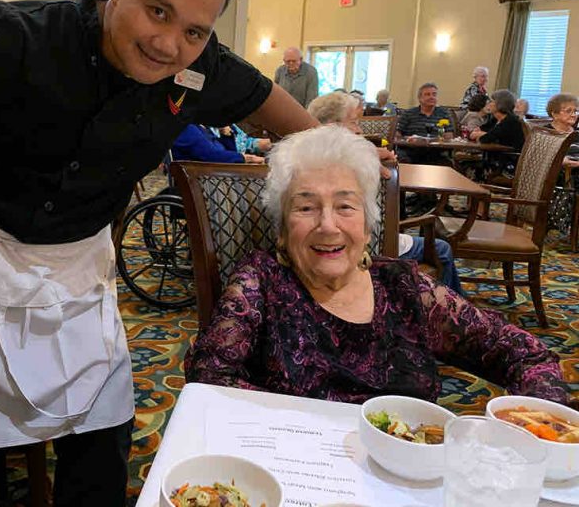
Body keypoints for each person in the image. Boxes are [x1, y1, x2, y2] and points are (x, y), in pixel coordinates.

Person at [0, 0, 317, 507]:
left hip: (81, 269)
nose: (169, 45)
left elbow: (290, 120)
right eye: (157, 11)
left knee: (103, 436)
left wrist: (349, 168)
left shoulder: (202, 68)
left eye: (194, 31)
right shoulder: (13, 38)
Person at [184, 126, 569, 406]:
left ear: (368, 227)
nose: (328, 225)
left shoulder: (405, 288)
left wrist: (532, 429)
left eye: (346, 206)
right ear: (282, 230)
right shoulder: (260, 283)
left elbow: (526, 355)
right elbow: (210, 378)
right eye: (305, 207)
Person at [308, 92, 463, 295]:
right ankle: (452, 314)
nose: (359, 130)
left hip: (328, 242)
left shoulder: (309, 156)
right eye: (354, 123)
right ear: (332, 126)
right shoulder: (352, 164)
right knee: (442, 249)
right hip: (368, 243)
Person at [469, 89, 525, 182]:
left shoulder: (510, 121)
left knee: (475, 167)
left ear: (500, 104)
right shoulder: (495, 119)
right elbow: (474, 133)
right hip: (495, 158)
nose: (489, 103)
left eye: (492, 101)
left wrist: (482, 134)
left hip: (509, 163)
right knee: (472, 165)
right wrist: (483, 134)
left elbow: (485, 138)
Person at [397, 82, 453, 165]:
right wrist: (409, 139)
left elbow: (449, 136)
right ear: (420, 98)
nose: (432, 97)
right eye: (427, 94)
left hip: (436, 151)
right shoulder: (408, 113)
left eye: (434, 94)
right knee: (402, 158)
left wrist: (435, 140)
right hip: (411, 151)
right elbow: (397, 134)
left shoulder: (444, 113)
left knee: (446, 163)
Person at [171, 124, 265, 163]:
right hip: (202, 181)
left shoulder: (205, 127)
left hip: (216, 176)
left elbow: (229, 152)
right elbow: (211, 155)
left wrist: (226, 135)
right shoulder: (187, 129)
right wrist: (247, 158)